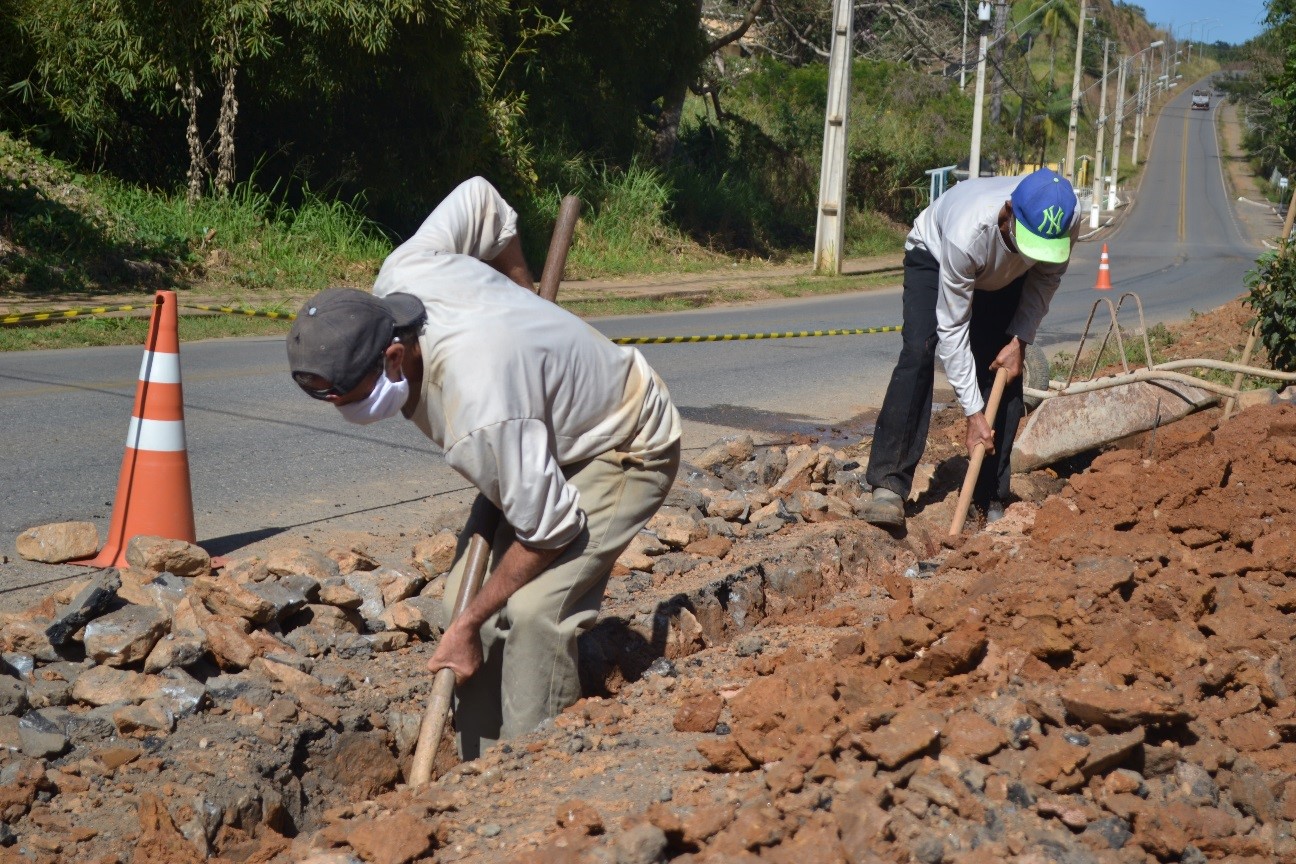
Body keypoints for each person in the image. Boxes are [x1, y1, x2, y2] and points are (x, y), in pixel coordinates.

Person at [286, 177, 682, 758]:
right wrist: (525, 292)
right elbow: (482, 199)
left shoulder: (479, 407)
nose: (341, 410)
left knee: (533, 613)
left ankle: (528, 773)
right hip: (538, 435)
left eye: (344, 396)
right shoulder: (404, 273)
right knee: (457, 606)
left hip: (623, 440)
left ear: (393, 355)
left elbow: (549, 531)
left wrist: (470, 625)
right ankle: (478, 763)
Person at [859, 167, 1080, 529]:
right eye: (1027, 240)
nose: (1034, 252)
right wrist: (973, 414)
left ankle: (991, 493)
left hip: (1006, 275)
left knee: (1005, 369)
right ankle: (888, 484)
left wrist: (1019, 340)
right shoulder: (968, 234)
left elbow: (1046, 277)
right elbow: (953, 327)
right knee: (919, 348)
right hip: (935, 256)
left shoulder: (1068, 220)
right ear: (1008, 212)